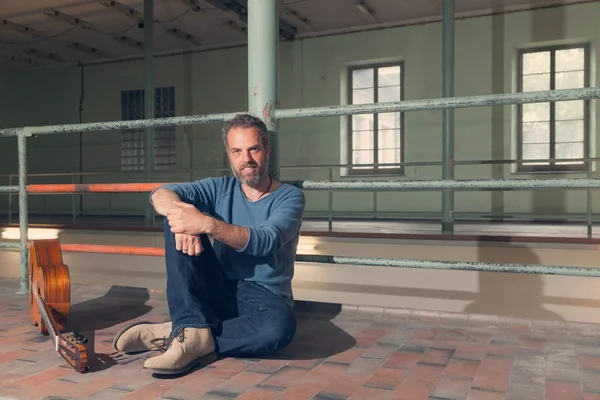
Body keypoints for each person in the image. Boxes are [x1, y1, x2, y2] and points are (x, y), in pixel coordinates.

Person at [112, 113, 306, 376]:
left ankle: (180, 333)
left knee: (278, 329)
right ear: (229, 154)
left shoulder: (290, 197)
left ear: (266, 149)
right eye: (237, 151)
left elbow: (265, 240)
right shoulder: (219, 187)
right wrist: (182, 216)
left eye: (253, 149)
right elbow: (161, 193)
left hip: (264, 296)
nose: (245, 159)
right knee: (176, 218)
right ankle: (190, 329)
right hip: (218, 286)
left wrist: (205, 224)